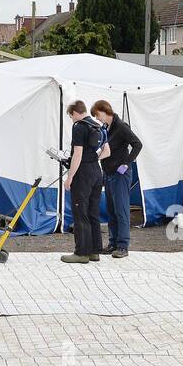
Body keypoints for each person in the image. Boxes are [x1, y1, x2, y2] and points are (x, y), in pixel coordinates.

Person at [91, 100, 143, 259]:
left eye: (98, 115)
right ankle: (113, 243)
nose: (97, 119)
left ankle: (123, 245)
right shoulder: (106, 128)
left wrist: (127, 163)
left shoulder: (121, 127)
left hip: (120, 174)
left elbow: (137, 144)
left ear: (105, 111)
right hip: (108, 173)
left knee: (121, 210)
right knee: (111, 209)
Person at [62, 100, 109, 264]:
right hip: (97, 172)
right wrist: (93, 159)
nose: (72, 120)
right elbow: (107, 151)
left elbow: (77, 154)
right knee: (92, 212)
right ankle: (95, 251)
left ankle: (81, 253)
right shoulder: (98, 126)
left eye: (70, 117)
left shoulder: (79, 127)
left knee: (80, 212)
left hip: (83, 175)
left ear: (74, 113)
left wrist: (69, 178)